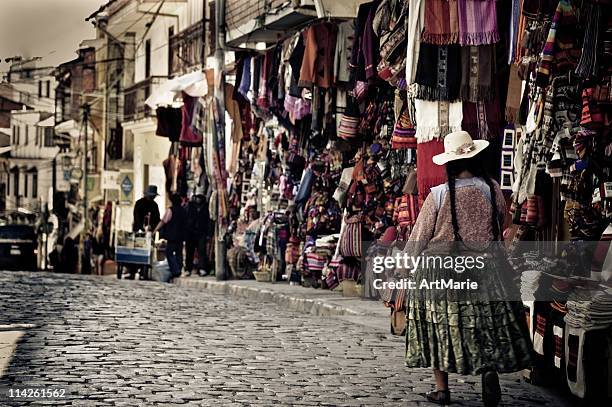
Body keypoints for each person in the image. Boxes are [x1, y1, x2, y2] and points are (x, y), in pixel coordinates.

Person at [404, 131, 532, 406]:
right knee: (482, 324)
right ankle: (488, 369)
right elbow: (503, 221)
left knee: (440, 327)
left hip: (441, 270)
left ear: (449, 163)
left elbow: (419, 237)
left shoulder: (437, 195)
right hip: (484, 267)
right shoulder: (491, 188)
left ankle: (442, 389)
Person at [154, 194, 187, 279]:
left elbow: (164, 221)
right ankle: (179, 268)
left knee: (169, 253)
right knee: (179, 253)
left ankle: (176, 270)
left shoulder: (170, 210)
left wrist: (155, 230)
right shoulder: (183, 210)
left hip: (172, 236)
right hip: (181, 236)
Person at [185, 187, 210, 276]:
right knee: (189, 251)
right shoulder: (190, 205)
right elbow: (185, 218)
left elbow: (208, 220)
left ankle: (202, 268)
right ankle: (188, 268)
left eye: (200, 197)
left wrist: (208, 233)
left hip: (201, 232)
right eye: (197, 197)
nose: (199, 199)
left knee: (202, 251)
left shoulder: (206, 206)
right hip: (190, 232)